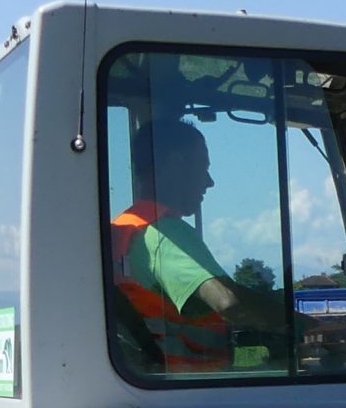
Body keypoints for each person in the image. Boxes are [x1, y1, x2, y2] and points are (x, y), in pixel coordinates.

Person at [109, 120, 286, 372]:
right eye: (203, 168)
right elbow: (229, 303)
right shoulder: (163, 233)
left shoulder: (125, 229)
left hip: (159, 383)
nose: (209, 182)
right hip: (192, 387)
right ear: (175, 164)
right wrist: (298, 325)